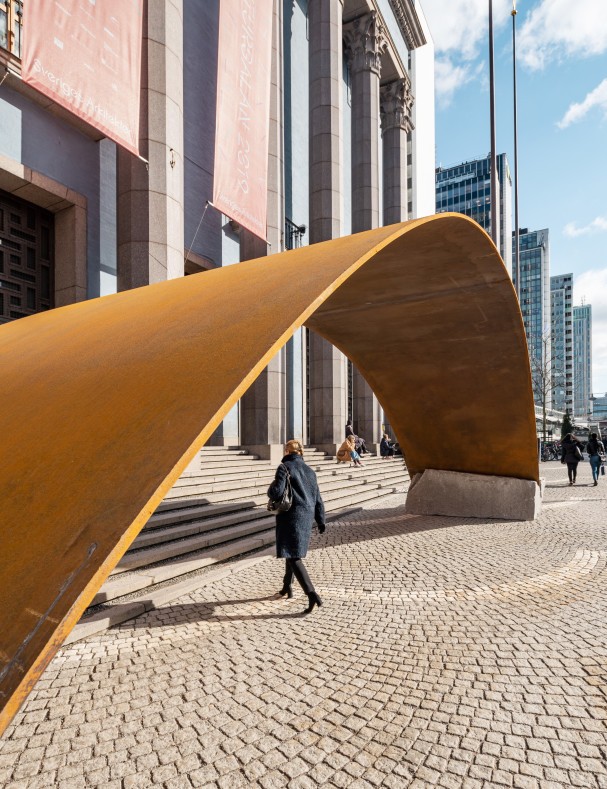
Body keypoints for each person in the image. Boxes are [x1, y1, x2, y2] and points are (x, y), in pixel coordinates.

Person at [268, 440, 326, 613]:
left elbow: (276, 492)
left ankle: (311, 594)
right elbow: (318, 498)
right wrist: (321, 519)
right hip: (306, 518)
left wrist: (271, 488)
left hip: (290, 517)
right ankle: (287, 587)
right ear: (300, 452)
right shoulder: (310, 471)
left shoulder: (284, 467)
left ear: (287, 451)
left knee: (293, 556)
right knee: (291, 552)